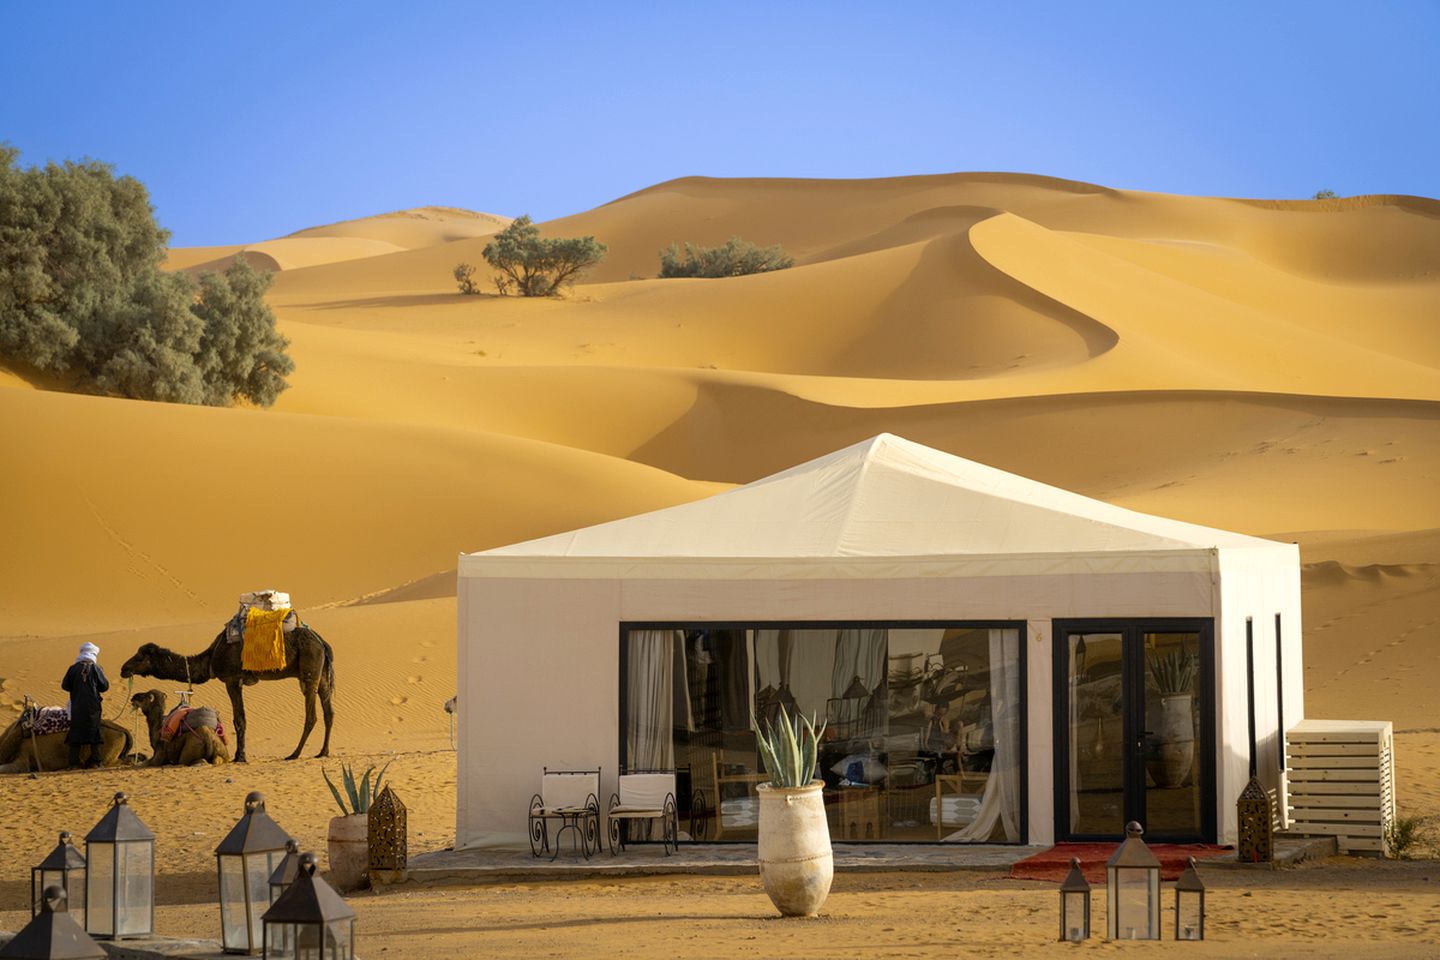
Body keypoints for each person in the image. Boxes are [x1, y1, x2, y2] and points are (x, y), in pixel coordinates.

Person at [61, 642, 109, 769]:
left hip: (77, 707)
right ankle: (96, 762)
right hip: (93, 707)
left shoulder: (73, 668)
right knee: (94, 732)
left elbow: (65, 685)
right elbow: (104, 686)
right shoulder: (96, 668)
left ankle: (73, 764)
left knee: (75, 733)